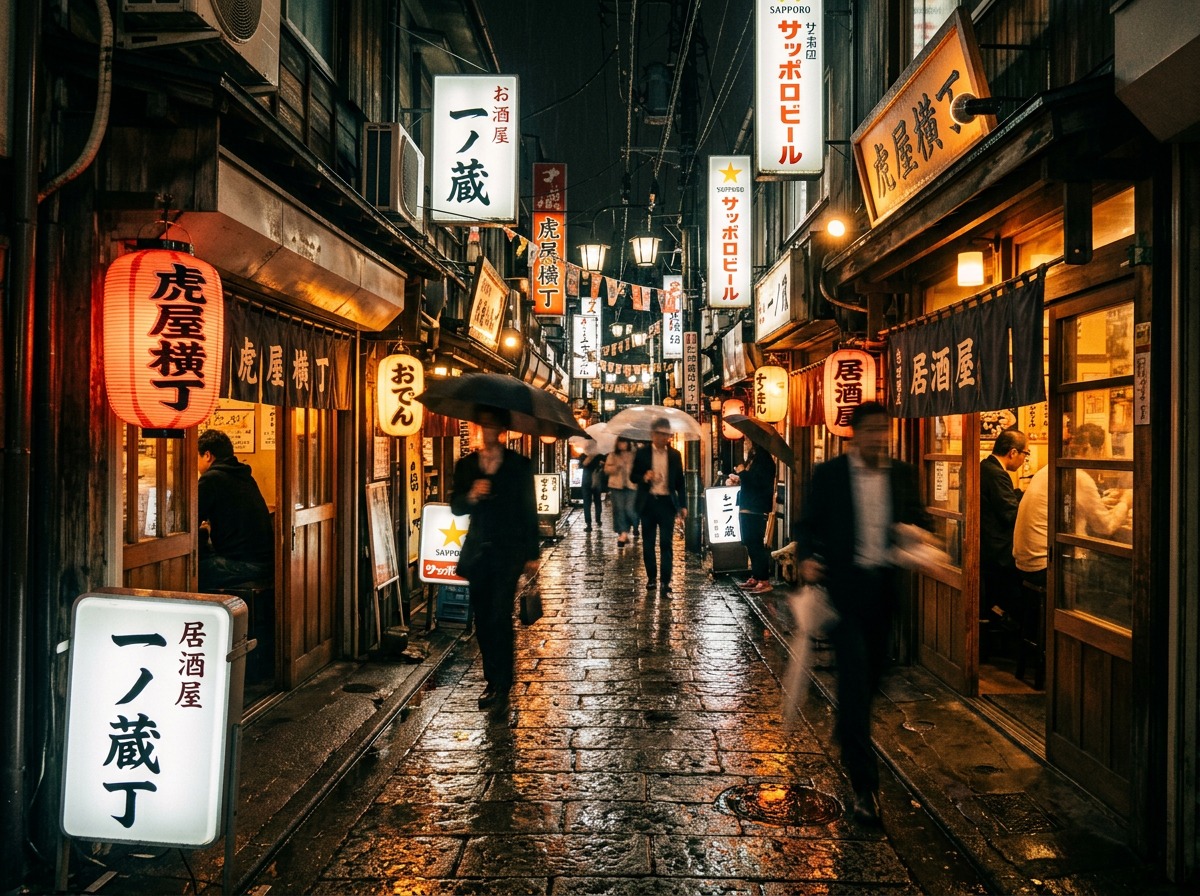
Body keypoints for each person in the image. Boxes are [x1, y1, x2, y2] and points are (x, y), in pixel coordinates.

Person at [797, 402, 932, 825]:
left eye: (883, 430)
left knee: (873, 678)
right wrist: (807, 558)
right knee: (855, 684)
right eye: (871, 430)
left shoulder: (903, 475)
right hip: (843, 594)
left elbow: (920, 520)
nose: (879, 438)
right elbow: (806, 524)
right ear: (853, 434)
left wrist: (918, 539)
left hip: (884, 592)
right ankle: (864, 788)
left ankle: (849, 725)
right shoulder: (831, 475)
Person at [450, 407, 540, 710]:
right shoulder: (466, 466)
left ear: (502, 430)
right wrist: (472, 495)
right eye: (483, 424)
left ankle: (501, 684)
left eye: (493, 425)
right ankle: (492, 679)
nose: (487, 430)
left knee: (500, 614)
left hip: (509, 550)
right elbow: (456, 507)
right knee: (483, 618)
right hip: (477, 550)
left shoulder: (519, 465)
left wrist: (532, 555)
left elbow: (529, 509)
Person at [197, 429, 274, 591]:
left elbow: (189, 522)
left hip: (244, 566)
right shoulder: (244, 475)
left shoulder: (211, 478)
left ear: (207, 455)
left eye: (197, 457)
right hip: (265, 562)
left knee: (189, 569)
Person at [631, 419, 687, 595]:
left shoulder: (675, 455)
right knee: (648, 543)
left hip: (666, 503)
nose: (664, 437)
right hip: (648, 502)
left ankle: (665, 581)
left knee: (666, 543)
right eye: (660, 433)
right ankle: (651, 578)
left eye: (666, 434)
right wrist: (644, 477)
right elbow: (633, 476)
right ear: (652, 434)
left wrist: (683, 505)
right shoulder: (642, 453)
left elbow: (680, 482)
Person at [980, 429, 1028, 626]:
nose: (1025, 459)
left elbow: (1003, 499)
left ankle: (1002, 612)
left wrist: (1022, 494)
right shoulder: (997, 474)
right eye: (1026, 453)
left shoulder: (985, 466)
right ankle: (1018, 625)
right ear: (1013, 452)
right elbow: (1010, 515)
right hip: (998, 551)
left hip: (986, 545)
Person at [734, 443, 777, 594]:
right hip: (747, 505)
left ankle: (764, 580)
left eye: (750, 443)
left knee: (756, 543)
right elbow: (750, 481)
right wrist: (739, 478)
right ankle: (756, 576)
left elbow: (758, 483)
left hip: (755, 508)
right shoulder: (754, 459)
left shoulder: (765, 462)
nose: (747, 445)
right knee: (749, 542)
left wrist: (742, 473)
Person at [604, 438, 637, 546]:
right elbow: (607, 469)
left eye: (624, 442)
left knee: (630, 509)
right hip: (616, 486)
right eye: (620, 442)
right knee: (619, 510)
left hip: (631, 485)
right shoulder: (613, 455)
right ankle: (623, 533)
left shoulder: (634, 454)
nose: (622, 444)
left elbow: (639, 468)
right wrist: (616, 466)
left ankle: (634, 524)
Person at [579, 450, 605, 532]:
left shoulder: (599, 455)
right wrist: (591, 456)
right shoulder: (585, 455)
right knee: (588, 503)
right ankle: (589, 523)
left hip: (594, 481)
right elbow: (582, 465)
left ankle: (597, 519)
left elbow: (605, 465)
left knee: (595, 501)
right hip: (588, 482)